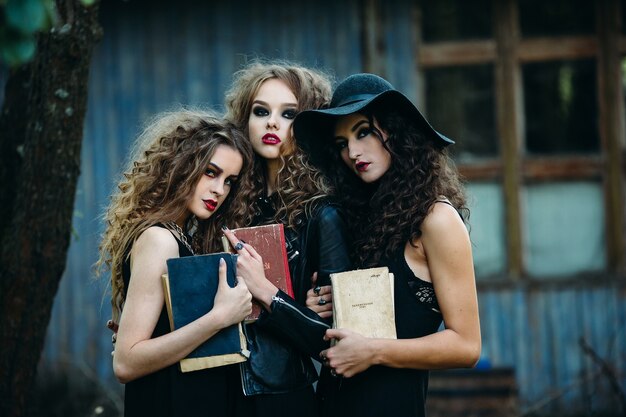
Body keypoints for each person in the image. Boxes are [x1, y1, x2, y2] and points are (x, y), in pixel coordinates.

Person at [293, 73, 482, 417]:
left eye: (363, 132)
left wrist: (374, 351)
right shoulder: (361, 221)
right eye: (341, 144)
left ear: (396, 132)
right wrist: (321, 305)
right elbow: (351, 332)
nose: (352, 152)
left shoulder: (435, 220)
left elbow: (466, 346)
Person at [95, 109, 255, 417]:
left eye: (229, 181)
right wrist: (219, 317)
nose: (219, 190)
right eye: (211, 172)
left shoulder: (178, 234)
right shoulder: (160, 239)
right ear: (182, 166)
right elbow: (126, 363)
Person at [221, 60, 353, 417]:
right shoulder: (224, 201)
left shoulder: (323, 215)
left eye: (290, 114)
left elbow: (330, 341)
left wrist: (268, 294)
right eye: (260, 111)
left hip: (276, 396)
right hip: (216, 386)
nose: (272, 123)